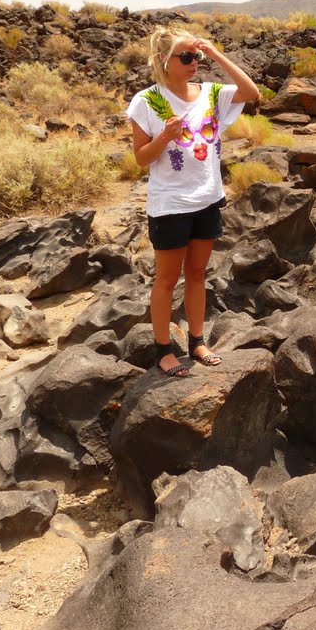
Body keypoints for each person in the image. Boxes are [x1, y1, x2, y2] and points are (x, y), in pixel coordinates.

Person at [126, 26, 260, 376]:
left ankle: (197, 342)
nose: (194, 63)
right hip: (170, 205)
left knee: (198, 274)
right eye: (186, 57)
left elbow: (251, 91)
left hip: (207, 199)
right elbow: (141, 158)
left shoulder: (212, 94)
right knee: (166, 280)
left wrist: (215, 54)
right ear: (164, 61)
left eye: (196, 56)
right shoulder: (147, 101)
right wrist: (164, 138)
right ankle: (163, 351)